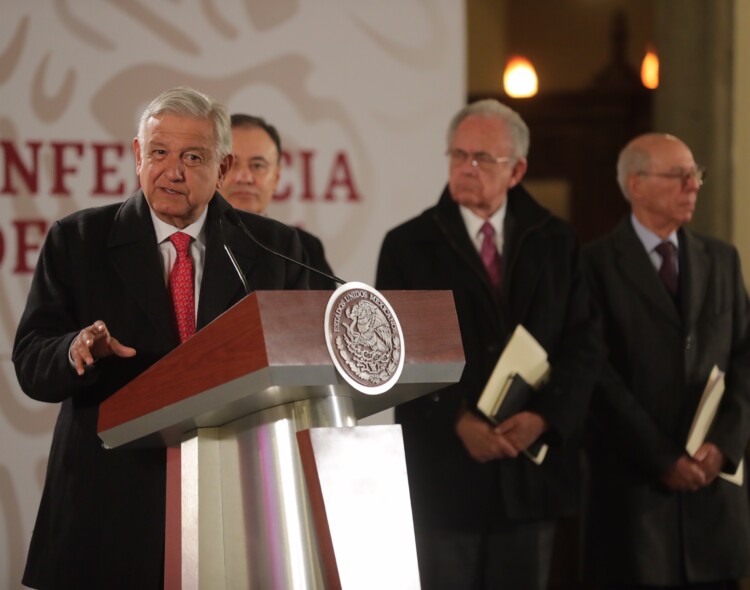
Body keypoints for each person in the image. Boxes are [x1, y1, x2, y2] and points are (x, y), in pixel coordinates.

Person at [12, 86, 309, 589]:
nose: (173, 170)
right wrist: (74, 348)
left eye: (193, 157)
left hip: (229, 506)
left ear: (222, 167)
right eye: (159, 153)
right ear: (136, 155)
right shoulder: (78, 240)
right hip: (109, 509)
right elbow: (30, 361)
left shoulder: (271, 248)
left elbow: (300, 358)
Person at [375, 99, 603, 590]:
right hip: (445, 473)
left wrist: (545, 418)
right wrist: (458, 418)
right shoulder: (408, 244)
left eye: (482, 159)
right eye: (458, 156)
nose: (467, 168)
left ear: (517, 170)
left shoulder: (556, 240)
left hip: (530, 475)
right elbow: (395, 355)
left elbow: (585, 345)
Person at [582, 133, 750, 589]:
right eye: (678, 175)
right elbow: (597, 377)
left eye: (695, 174)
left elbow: (744, 358)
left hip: (714, 502)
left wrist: (723, 445)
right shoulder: (592, 264)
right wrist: (662, 458)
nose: (692, 185)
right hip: (635, 504)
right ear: (635, 185)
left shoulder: (721, 259)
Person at [222, 113, 336, 289]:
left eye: (257, 165)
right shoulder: (195, 242)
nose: (244, 177)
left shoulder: (306, 247)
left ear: (276, 177)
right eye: (233, 164)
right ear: (214, 172)